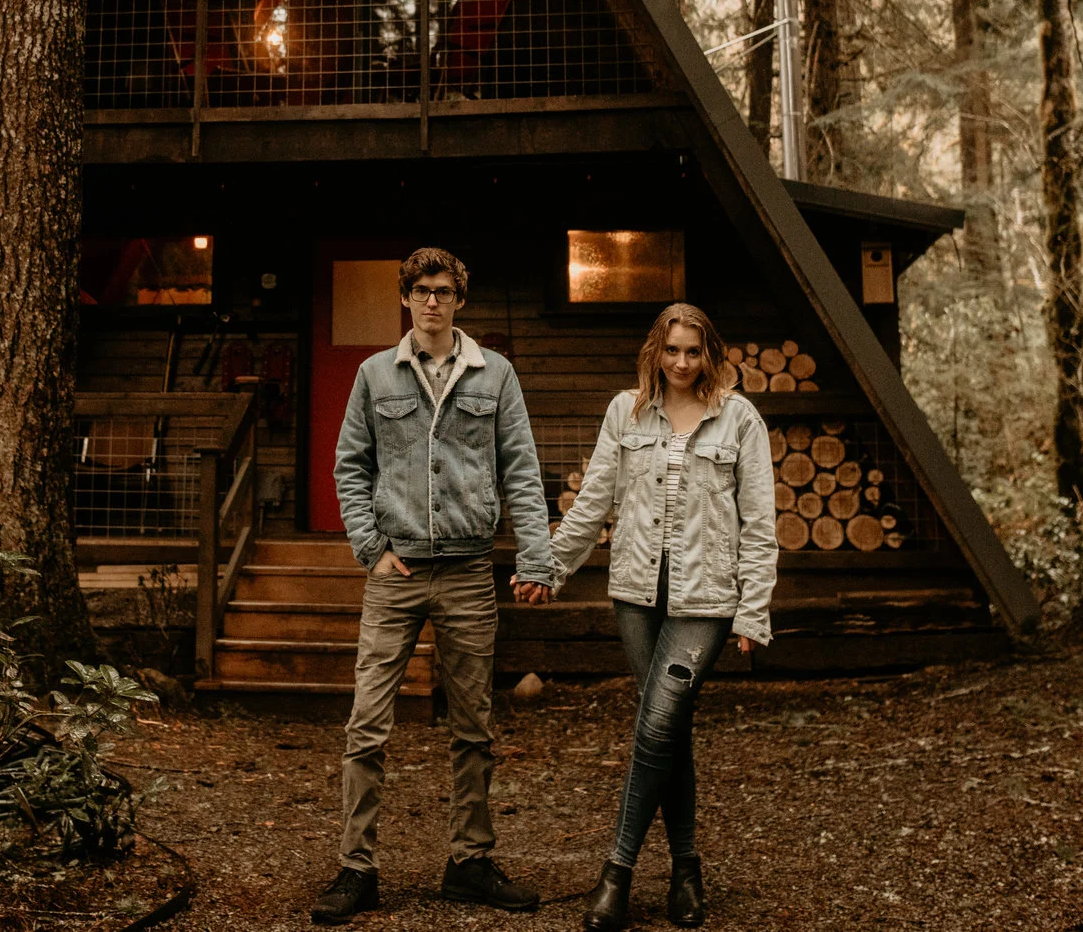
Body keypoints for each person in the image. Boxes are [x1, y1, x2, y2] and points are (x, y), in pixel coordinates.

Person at [312, 246, 557, 925]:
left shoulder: (494, 374)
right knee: (366, 724)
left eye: (443, 290)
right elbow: (350, 465)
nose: (431, 301)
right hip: (397, 574)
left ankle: (469, 862)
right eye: (420, 289)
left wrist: (536, 560)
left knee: (473, 726)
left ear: (459, 299)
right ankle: (357, 869)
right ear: (405, 297)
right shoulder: (374, 374)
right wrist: (371, 549)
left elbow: (521, 468)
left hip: (470, 572)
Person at [548, 302, 778, 931]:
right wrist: (550, 568)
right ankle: (686, 871)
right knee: (669, 728)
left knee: (654, 726)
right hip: (636, 592)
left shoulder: (739, 418)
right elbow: (594, 498)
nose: (681, 362)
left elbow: (760, 524)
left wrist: (752, 611)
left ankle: (616, 874)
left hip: (706, 598)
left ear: (710, 354)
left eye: (692, 351)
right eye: (671, 350)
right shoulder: (625, 411)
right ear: (655, 351)